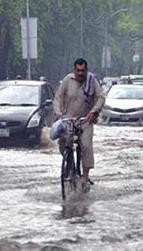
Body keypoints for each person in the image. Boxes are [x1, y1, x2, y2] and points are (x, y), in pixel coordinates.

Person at [53, 58, 106, 191]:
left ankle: (85, 176)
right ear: (74, 70)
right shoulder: (67, 80)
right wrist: (58, 113)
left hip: (85, 120)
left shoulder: (91, 81)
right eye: (78, 70)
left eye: (83, 71)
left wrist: (94, 112)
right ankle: (69, 165)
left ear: (86, 70)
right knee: (63, 143)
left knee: (86, 146)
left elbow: (101, 97)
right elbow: (57, 97)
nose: (80, 73)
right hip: (68, 119)